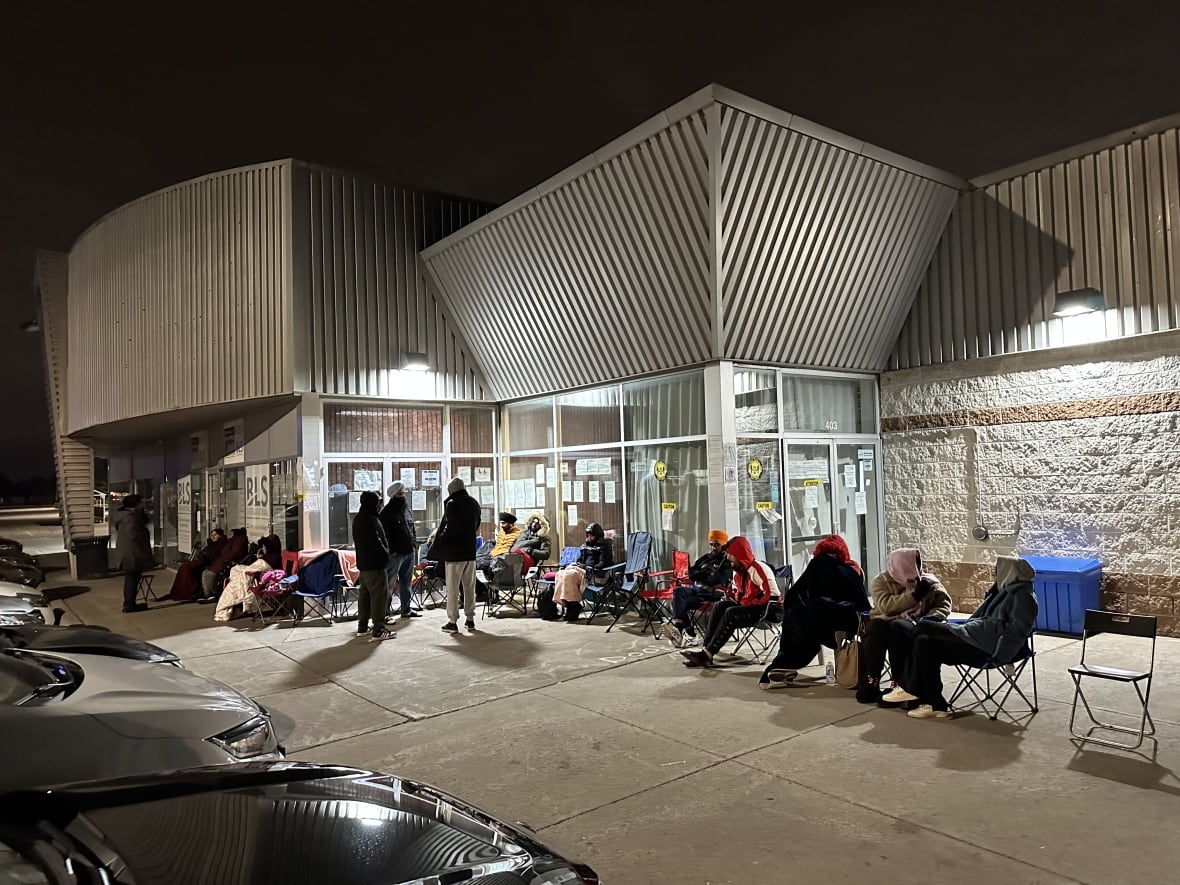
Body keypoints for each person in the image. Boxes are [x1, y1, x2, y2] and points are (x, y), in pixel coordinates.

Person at [883, 555, 1038, 719]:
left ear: (1010, 571)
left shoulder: (1023, 596)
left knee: (923, 626)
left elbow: (1018, 630)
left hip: (988, 646)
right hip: (977, 637)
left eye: (998, 569)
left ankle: (908, 687)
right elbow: (981, 619)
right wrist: (977, 627)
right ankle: (935, 704)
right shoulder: (1003, 591)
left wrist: (989, 634)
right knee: (924, 642)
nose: (994, 572)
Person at [758, 534, 869, 689]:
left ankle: (781, 667)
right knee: (801, 623)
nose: (827, 559)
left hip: (825, 617)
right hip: (826, 617)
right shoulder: (835, 567)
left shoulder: (831, 567)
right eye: (825, 555)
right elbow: (860, 599)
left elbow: (793, 595)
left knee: (802, 628)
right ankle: (782, 667)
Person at [856, 547, 952, 704]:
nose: (918, 566)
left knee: (898, 628)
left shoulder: (927, 581)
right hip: (884, 619)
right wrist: (915, 596)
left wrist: (929, 619)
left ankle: (898, 682)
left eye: (918, 562)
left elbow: (943, 605)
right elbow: (886, 606)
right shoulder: (882, 581)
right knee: (876, 627)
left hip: (912, 623)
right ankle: (872, 679)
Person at [679, 535, 774, 667]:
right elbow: (740, 595)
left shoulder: (757, 569)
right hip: (748, 606)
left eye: (730, 555)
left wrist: (750, 604)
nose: (728, 558)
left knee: (731, 612)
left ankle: (707, 654)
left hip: (768, 609)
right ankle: (706, 650)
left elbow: (771, 595)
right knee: (720, 606)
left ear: (739, 555)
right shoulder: (738, 571)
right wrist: (732, 595)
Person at [661, 529, 734, 648]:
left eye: (717, 545)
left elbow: (718, 580)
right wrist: (705, 574)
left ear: (724, 545)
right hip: (696, 589)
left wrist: (702, 575)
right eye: (711, 544)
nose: (713, 548)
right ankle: (683, 632)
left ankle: (686, 634)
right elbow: (691, 572)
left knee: (680, 603)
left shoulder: (726, 562)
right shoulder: (706, 558)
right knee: (678, 593)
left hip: (711, 595)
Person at [428, 477, 483, 633]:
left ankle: (452, 622)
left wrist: (441, 541)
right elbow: (477, 525)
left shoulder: (453, 504)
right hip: (470, 552)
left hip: (454, 554)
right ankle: (470, 619)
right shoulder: (474, 503)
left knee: (452, 589)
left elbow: (449, 528)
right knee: (469, 587)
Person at [539, 522, 614, 622]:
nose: (589, 538)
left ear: (598, 535)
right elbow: (580, 561)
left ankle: (573, 607)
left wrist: (585, 566)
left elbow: (603, 565)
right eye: (588, 535)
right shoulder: (585, 547)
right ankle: (568, 605)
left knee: (570, 575)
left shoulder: (605, 547)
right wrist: (578, 564)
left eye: (592, 536)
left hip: (596, 574)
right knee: (561, 573)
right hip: (583, 571)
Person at [352, 490, 395, 641]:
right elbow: (377, 543)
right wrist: (386, 554)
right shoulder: (370, 520)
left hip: (364, 565)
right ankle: (378, 629)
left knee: (364, 595)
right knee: (379, 596)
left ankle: (362, 626)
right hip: (375, 565)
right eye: (377, 502)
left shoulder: (358, 519)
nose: (379, 505)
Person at [380, 481, 419, 618]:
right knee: (389, 585)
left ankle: (406, 610)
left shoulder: (406, 509)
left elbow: (412, 528)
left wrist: (413, 542)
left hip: (409, 551)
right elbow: (385, 535)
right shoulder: (386, 513)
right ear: (393, 495)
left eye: (403, 493)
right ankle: (384, 613)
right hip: (395, 555)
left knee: (406, 583)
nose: (403, 496)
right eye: (400, 494)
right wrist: (393, 550)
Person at [112, 494, 153, 613]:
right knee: (132, 579)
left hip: (128, 553)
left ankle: (129, 603)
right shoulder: (130, 517)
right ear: (136, 504)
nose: (142, 505)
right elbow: (134, 535)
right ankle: (129, 604)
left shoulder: (125, 516)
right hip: (133, 554)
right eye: (140, 503)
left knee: (131, 578)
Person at [168, 528, 226, 603]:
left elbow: (213, 555)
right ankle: (182, 591)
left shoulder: (221, 544)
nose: (213, 537)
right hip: (203, 561)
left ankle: (190, 591)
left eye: (215, 535)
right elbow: (203, 553)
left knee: (188, 569)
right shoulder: (211, 544)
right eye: (212, 535)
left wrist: (205, 556)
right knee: (184, 567)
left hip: (209, 563)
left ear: (220, 535)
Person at [199, 528, 249, 601]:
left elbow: (234, 554)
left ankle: (214, 593)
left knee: (210, 574)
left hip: (227, 563)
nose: (229, 535)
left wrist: (225, 560)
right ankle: (207, 594)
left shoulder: (238, 541)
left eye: (231, 534)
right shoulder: (230, 542)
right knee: (205, 572)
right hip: (221, 561)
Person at [476, 512, 522, 576]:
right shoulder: (501, 532)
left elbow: (513, 550)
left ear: (511, 524)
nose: (501, 525)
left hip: (504, 558)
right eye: (501, 523)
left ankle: (489, 584)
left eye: (503, 523)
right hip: (493, 556)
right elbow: (497, 546)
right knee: (477, 564)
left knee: (485, 567)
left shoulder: (518, 534)